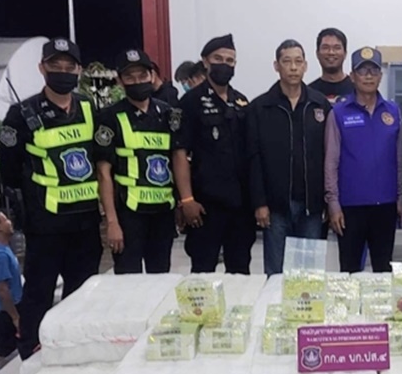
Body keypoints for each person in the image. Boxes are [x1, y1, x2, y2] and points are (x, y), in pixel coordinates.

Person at [0, 37, 103, 359]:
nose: (62, 72)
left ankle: (76, 351)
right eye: (55, 66)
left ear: (79, 70)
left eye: (69, 67)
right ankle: (31, 355)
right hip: (46, 223)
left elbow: (101, 158)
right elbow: (9, 171)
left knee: (83, 294)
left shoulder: (89, 108)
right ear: (42, 69)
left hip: (85, 221)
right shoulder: (22, 114)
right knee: (39, 293)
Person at [248, 39, 331, 275]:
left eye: (298, 61)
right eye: (287, 61)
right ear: (276, 66)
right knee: (276, 274)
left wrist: (328, 200)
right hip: (275, 207)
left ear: (305, 65)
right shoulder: (260, 107)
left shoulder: (319, 104)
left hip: (311, 206)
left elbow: (330, 156)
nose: (293, 67)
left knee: (309, 275)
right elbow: (253, 158)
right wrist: (259, 203)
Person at [173, 34, 254, 274]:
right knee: (203, 273)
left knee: (240, 272)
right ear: (205, 61)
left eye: (230, 60)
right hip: (205, 205)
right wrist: (187, 200)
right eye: (218, 59)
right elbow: (179, 153)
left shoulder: (241, 102)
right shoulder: (190, 102)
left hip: (240, 205)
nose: (224, 64)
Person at [93, 48, 179, 274]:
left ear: (152, 75)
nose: (137, 81)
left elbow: (177, 161)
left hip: (162, 212)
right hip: (128, 214)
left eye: (142, 75)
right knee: (128, 283)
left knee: (161, 279)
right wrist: (112, 222)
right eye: (130, 77)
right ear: (120, 81)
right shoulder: (109, 117)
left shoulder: (168, 114)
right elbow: (103, 173)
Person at [324, 47, 402, 273]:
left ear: (380, 76)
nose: (368, 76)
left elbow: (399, 158)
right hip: (350, 207)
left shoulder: (393, 111)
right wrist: (333, 203)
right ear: (352, 76)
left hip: (386, 205)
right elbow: (330, 162)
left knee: (383, 270)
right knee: (349, 271)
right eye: (362, 71)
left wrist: (400, 197)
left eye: (373, 71)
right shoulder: (339, 113)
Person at [0, 210, 22, 359]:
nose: (10, 221)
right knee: (10, 357)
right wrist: (15, 317)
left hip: (7, 311)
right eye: (5, 219)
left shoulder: (1, 248)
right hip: (6, 313)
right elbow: (2, 290)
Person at [310, 28, 355, 105]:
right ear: (317, 53)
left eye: (337, 48)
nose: (331, 52)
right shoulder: (308, 93)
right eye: (325, 47)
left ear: (345, 53)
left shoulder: (357, 90)